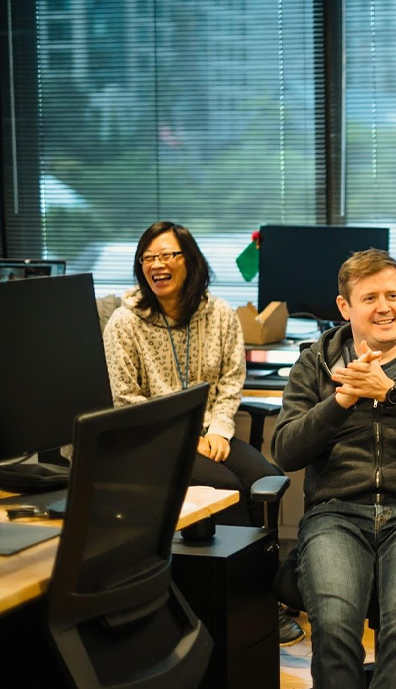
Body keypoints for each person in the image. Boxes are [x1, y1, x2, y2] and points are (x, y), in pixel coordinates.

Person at [270, 249, 396, 689]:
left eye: (393, 295)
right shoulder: (316, 361)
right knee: (336, 628)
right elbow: (285, 451)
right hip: (335, 514)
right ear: (345, 307)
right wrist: (341, 401)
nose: (385, 307)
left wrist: (392, 394)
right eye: (370, 297)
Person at [101, 220, 305, 646]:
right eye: (149, 257)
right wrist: (189, 436)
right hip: (154, 442)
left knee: (267, 478)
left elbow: (232, 380)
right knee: (227, 490)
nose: (157, 265)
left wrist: (218, 428)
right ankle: (248, 601)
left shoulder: (220, 313)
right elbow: (125, 399)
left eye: (167, 255)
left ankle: (267, 588)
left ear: (189, 261)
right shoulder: (124, 321)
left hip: (212, 432)